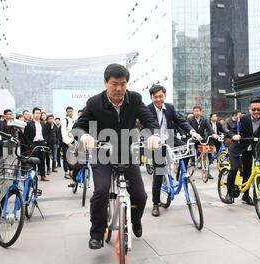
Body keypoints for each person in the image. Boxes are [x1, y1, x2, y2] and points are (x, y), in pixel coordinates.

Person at [73, 64, 160, 250]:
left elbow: (148, 120)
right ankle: (97, 233)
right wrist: (85, 136)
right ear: (106, 83)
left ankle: (135, 220)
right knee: (101, 191)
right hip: (102, 152)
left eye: (123, 84)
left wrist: (152, 134)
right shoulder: (95, 102)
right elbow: (79, 125)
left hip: (126, 152)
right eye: (114, 84)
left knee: (140, 195)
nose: (119, 89)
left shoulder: (135, 99)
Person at [147, 85, 200, 217]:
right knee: (158, 173)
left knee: (186, 148)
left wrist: (192, 132)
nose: (158, 99)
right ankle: (155, 203)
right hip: (157, 142)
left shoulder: (169, 107)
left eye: (161, 96)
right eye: (155, 97)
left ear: (164, 95)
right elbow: (144, 125)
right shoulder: (147, 109)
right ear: (151, 97)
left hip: (170, 138)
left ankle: (181, 173)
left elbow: (181, 121)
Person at [225, 98, 260, 205]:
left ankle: (246, 195)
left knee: (249, 171)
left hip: (254, 148)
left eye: (258, 109)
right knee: (234, 168)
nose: (256, 111)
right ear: (249, 110)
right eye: (254, 109)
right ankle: (229, 192)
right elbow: (231, 130)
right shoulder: (242, 119)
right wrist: (234, 136)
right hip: (238, 146)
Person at [24, 108, 50, 181]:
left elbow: (46, 133)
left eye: (39, 113)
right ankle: (34, 176)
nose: (38, 115)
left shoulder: (43, 124)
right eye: (36, 113)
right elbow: (26, 135)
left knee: (42, 160)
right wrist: (29, 145)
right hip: (33, 144)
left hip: (42, 143)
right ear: (33, 114)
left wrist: (45, 141)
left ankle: (43, 176)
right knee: (34, 161)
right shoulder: (29, 124)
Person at [61, 106, 76, 180]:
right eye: (68, 111)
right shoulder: (64, 121)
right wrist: (67, 143)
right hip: (66, 142)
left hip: (73, 142)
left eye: (71, 111)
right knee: (66, 158)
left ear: (73, 112)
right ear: (66, 112)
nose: (70, 112)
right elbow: (63, 133)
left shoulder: (74, 120)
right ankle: (66, 172)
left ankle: (71, 171)